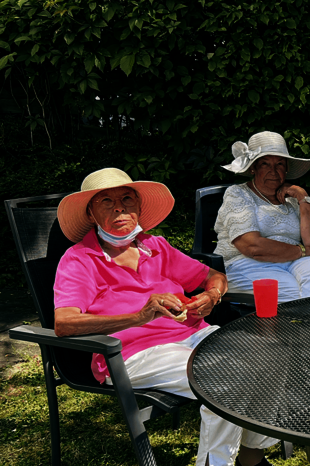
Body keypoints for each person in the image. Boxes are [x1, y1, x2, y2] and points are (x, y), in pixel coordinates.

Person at [53, 167, 279, 466]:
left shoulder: (155, 246)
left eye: (127, 198)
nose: (119, 206)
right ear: (92, 215)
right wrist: (138, 316)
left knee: (272, 355)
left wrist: (211, 296)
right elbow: (64, 323)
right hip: (132, 353)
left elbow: (213, 276)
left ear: (139, 207)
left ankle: (251, 455)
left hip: (192, 334)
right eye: (106, 201)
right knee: (225, 378)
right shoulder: (80, 259)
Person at [215, 131, 310, 302]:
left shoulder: (291, 199)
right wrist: (304, 251)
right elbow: (252, 247)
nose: (273, 171)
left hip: (292, 261)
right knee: (298, 295)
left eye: (280, 164)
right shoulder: (238, 194)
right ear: (253, 168)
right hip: (246, 264)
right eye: (265, 164)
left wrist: (303, 197)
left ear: (286, 168)